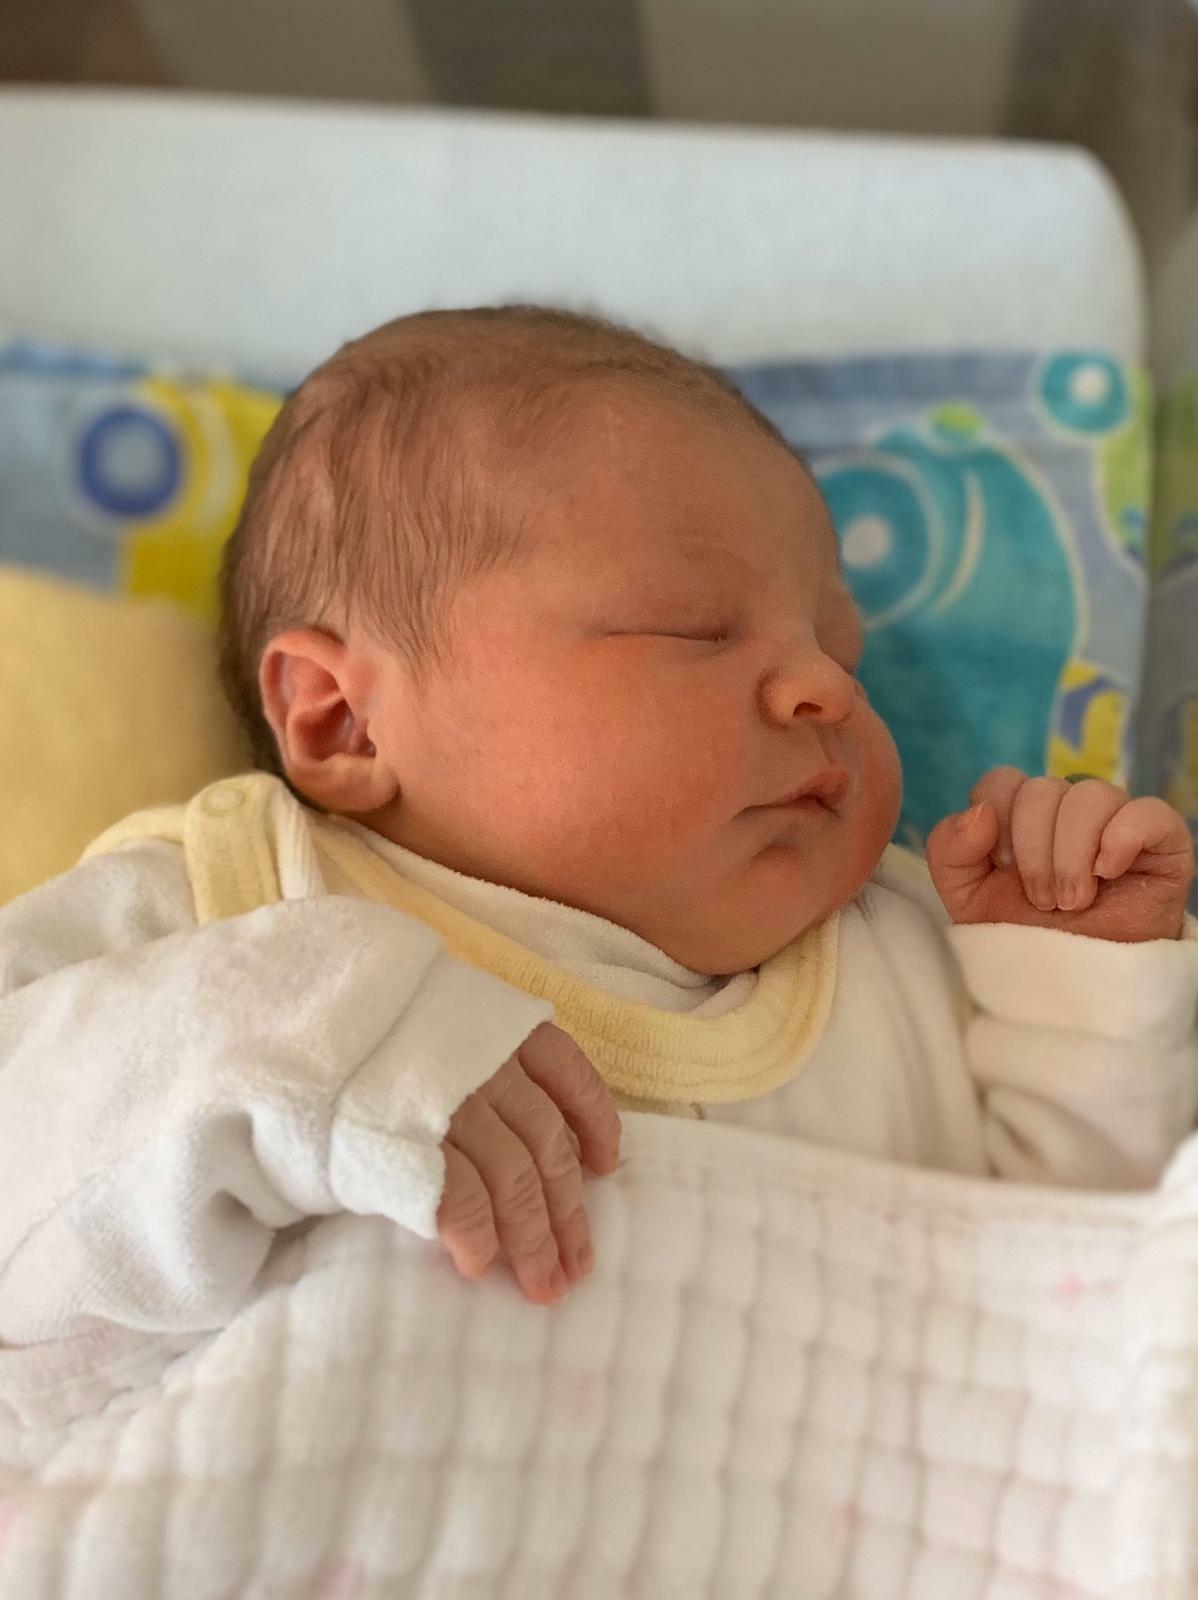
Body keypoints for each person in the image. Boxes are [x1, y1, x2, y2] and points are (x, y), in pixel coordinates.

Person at [2, 306, 1195, 1353]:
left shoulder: (899, 968)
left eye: (841, 650)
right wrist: (310, 1027)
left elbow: (1077, 1296)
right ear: (343, 719)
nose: (825, 688)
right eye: (693, 628)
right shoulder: (234, 901)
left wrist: (1074, 989)